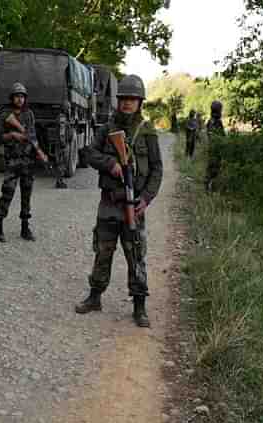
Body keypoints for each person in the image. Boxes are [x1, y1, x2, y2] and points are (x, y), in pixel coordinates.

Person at [75, 74, 163, 328]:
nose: (127, 103)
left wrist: (146, 198)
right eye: (123, 98)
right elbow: (89, 153)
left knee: (136, 253)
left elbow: (157, 169)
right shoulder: (108, 128)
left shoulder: (147, 132)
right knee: (103, 251)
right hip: (109, 202)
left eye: (132, 99)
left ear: (139, 102)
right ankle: (94, 297)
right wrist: (110, 164)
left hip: (134, 205)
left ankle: (139, 305)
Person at [0, 82, 43, 242]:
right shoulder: (5, 114)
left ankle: (25, 228)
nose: (20, 99)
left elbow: (33, 136)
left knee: (26, 195)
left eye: (22, 96)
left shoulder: (29, 114)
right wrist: (13, 135)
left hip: (27, 161)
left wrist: (39, 152)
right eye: (17, 96)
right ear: (12, 98)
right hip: (13, 161)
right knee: (7, 193)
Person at [205, 100, 226, 191]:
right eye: (220, 110)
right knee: (213, 168)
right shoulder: (215, 122)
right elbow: (219, 136)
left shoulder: (212, 121)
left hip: (214, 148)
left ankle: (210, 186)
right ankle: (210, 187)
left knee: (213, 167)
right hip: (215, 148)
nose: (221, 112)